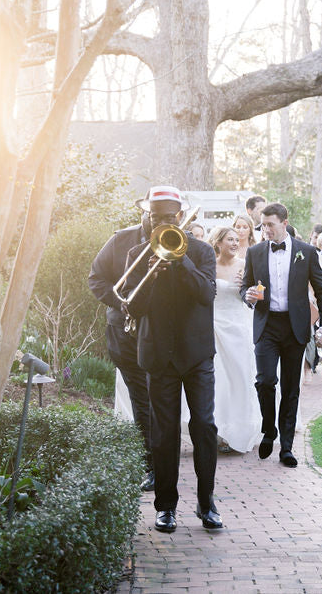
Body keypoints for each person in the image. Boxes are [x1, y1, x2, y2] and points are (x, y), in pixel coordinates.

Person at [121, 185, 222, 533]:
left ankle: (206, 503)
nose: (161, 222)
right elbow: (133, 306)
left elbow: (206, 294)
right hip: (158, 355)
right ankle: (165, 507)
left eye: (167, 217)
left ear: (179, 217)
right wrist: (151, 276)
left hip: (196, 354)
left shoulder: (201, 251)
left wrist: (181, 264)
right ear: (148, 218)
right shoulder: (138, 253)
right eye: (155, 217)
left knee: (205, 427)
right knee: (163, 434)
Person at [240, 202, 322, 468]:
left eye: (270, 225)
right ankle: (269, 429)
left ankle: (287, 447)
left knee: (291, 388)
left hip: (295, 327)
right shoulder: (255, 252)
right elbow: (246, 286)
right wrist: (247, 296)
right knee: (265, 381)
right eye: (263, 225)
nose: (265, 230)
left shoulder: (307, 252)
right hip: (267, 325)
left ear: (284, 222)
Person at [88, 210, 155, 493]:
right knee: (141, 398)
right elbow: (97, 279)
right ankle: (150, 465)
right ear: (142, 213)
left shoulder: (182, 240)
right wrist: (121, 302)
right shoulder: (120, 240)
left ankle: (163, 461)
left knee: (162, 399)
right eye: (150, 212)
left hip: (164, 333)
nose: (155, 218)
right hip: (126, 331)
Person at [208, 226, 263, 453]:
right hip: (214, 327)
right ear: (218, 243)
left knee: (240, 377)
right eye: (229, 239)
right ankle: (218, 431)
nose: (234, 243)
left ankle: (240, 431)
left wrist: (248, 289)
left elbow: (259, 295)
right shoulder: (210, 266)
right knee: (218, 380)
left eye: (236, 240)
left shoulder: (245, 265)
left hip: (239, 327)